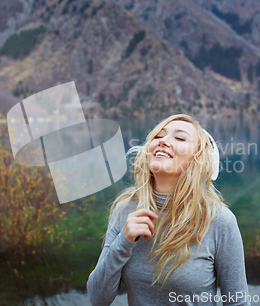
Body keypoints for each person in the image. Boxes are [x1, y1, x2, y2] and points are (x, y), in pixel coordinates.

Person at [87, 114, 250, 306]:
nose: (163, 141)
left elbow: (237, 302)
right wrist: (124, 241)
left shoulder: (219, 220)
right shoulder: (126, 209)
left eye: (180, 138)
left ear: (198, 159)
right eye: (158, 136)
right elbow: (98, 299)